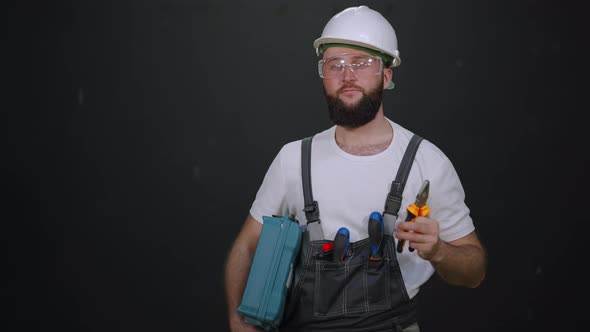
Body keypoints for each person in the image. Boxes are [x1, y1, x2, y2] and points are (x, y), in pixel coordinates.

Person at [224, 5, 486, 332]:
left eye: (361, 63)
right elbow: (247, 247)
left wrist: (439, 251)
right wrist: (239, 321)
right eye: (336, 64)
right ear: (324, 74)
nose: (348, 75)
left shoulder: (427, 162)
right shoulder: (293, 159)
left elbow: (474, 271)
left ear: (387, 75)